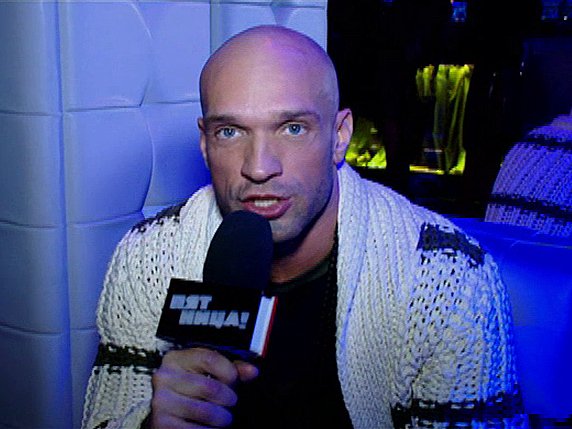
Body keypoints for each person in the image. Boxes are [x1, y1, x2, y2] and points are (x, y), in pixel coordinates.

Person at [82, 25, 525, 429]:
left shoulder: (445, 278)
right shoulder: (151, 256)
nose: (259, 168)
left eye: (292, 128)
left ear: (340, 136)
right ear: (204, 143)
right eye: (230, 132)